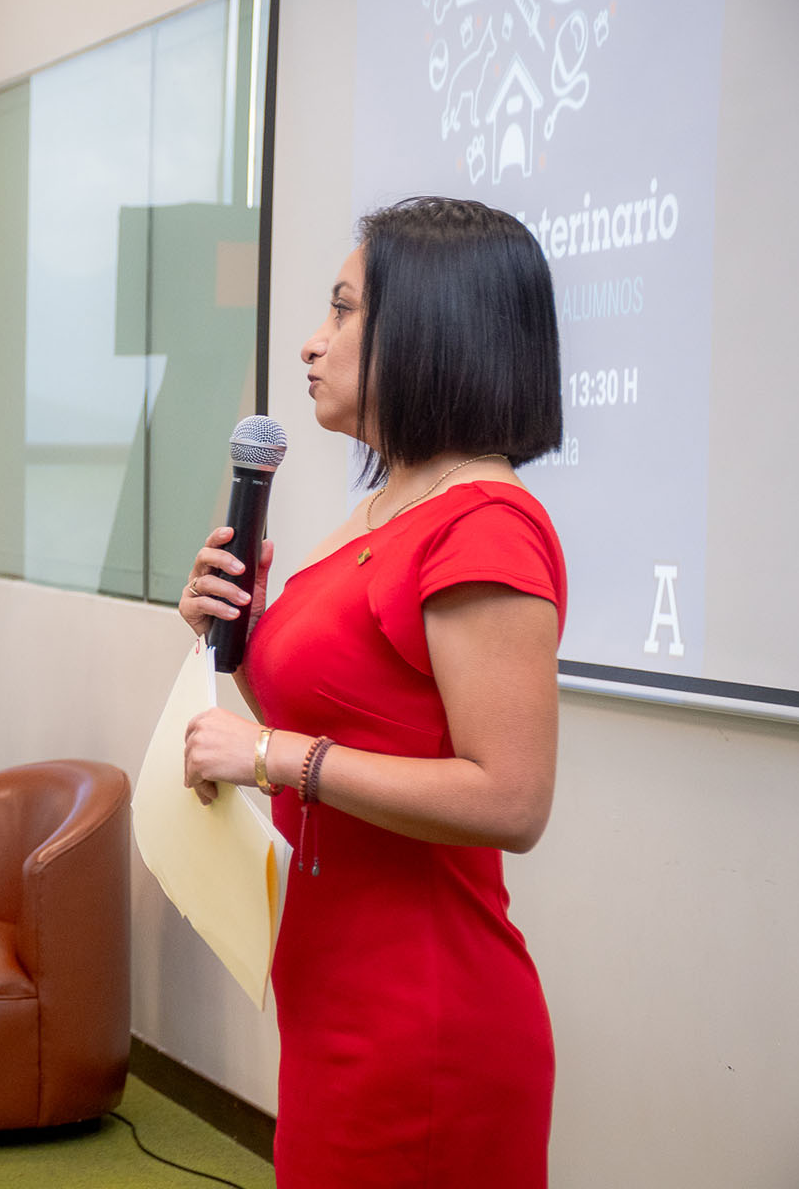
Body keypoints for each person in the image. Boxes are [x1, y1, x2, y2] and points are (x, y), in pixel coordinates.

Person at [179, 197, 566, 1187]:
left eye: (345, 312)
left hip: (422, 1017)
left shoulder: (483, 525)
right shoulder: (384, 509)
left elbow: (508, 800)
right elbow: (352, 729)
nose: (313, 343)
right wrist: (229, 634)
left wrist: (268, 758)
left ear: (431, 325)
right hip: (332, 988)